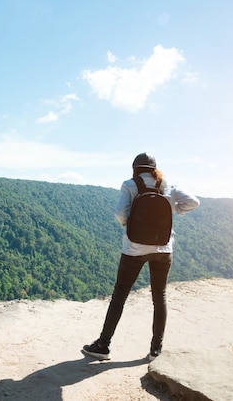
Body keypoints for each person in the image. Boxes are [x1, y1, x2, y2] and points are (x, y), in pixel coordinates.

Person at [82, 152, 200, 361]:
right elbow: (193, 202)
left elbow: (120, 213)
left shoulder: (130, 184)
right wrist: (176, 210)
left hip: (134, 249)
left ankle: (103, 346)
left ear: (135, 168)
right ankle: (156, 350)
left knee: (119, 296)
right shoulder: (167, 185)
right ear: (154, 168)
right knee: (159, 297)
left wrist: (130, 226)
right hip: (163, 249)